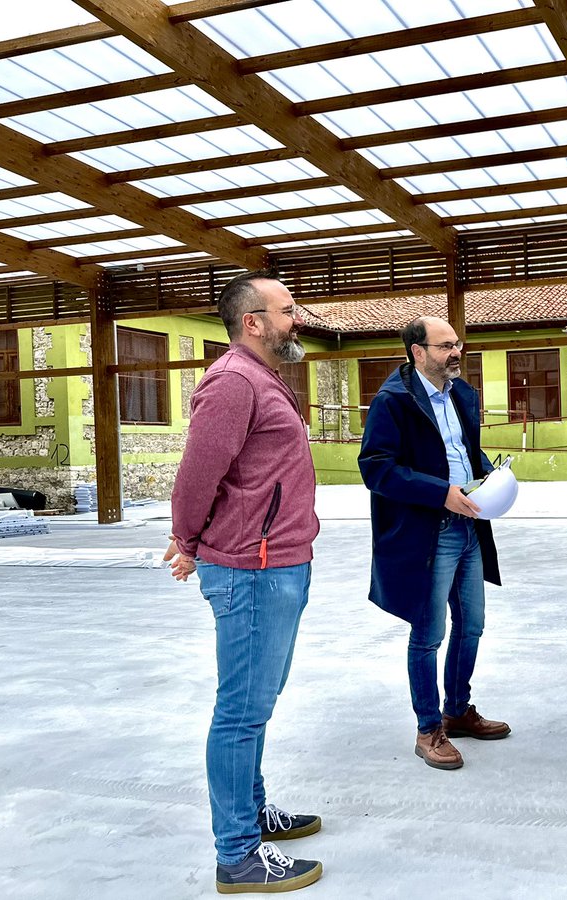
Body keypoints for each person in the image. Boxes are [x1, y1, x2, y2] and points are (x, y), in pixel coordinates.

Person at [164, 269, 324, 892]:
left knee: (257, 705)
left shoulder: (264, 378)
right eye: (288, 310)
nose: (299, 317)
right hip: (251, 572)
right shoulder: (233, 382)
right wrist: (188, 541)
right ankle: (237, 854)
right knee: (240, 712)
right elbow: (197, 474)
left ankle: (252, 813)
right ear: (253, 322)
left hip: (279, 564)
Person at [358, 316, 510, 771]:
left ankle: (457, 710)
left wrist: (491, 476)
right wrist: (440, 492)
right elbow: (377, 469)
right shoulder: (392, 402)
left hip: (469, 525)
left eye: (457, 344)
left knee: (473, 625)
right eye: (445, 346)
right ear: (417, 352)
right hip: (429, 532)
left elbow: (463, 449)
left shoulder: (462, 394)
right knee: (428, 635)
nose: (456, 353)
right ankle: (428, 729)